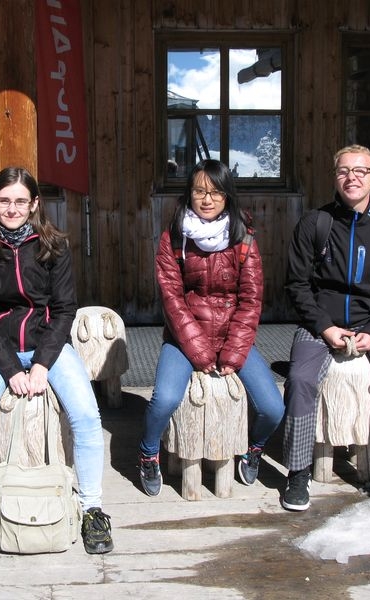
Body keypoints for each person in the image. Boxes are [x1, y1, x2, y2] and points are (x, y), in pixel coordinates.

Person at [0, 166, 113, 563]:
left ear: (34, 203)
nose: (12, 208)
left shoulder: (53, 247)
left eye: (21, 200)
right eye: (4, 200)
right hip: (0, 348)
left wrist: (40, 365)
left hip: (47, 345)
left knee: (88, 416)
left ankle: (92, 508)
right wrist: (10, 370)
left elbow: (64, 310)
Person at [281, 144, 370, 512]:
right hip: (320, 324)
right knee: (300, 380)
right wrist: (325, 328)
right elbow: (296, 285)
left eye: (360, 171)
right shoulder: (316, 224)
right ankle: (298, 471)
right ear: (335, 178)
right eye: (344, 170)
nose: (352, 177)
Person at [138, 159, 285, 496]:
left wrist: (233, 353)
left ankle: (254, 448)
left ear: (227, 197)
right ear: (189, 194)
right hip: (185, 338)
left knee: (273, 407)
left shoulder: (244, 238)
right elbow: (172, 300)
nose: (207, 199)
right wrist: (200, 352)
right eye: (200, 191)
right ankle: (148, 453)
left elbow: (250, 300)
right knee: (164, 399)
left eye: (216, 192)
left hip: (233, 336)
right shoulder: (173, 238)